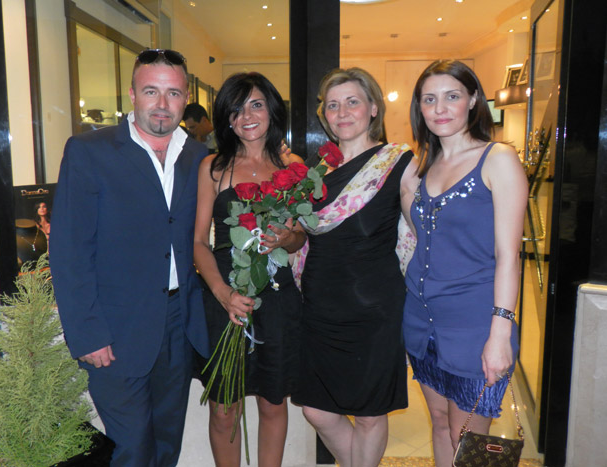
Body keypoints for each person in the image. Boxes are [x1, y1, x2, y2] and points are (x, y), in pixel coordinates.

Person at [49, 49, 209, 467]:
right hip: (115, 328)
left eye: (173, 93)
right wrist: (87, 332)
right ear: (133, 95)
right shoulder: (89, 151)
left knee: (167, 443)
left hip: (177, 324)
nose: (162, 103)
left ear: (186, 98)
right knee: (133, 448)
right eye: (151, 91)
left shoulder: (198, 157)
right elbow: (69, 250)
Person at [401, 59, 528, 467]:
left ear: (473, 100)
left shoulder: (497, 159)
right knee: (440, 424)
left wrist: (500, 333)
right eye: (429, 99)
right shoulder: (422, 166)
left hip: (474, 324)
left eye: (452, 96)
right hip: (422, 320)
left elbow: (509, 255)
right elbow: (425, 239)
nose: (440, 108)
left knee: (467, 439)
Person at [290, 67, 416, 467]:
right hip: (318, 307)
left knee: (368, 414)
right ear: (324, 115)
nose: (342, 112)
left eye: (352, 102)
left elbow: (423, 233)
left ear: (373, 108)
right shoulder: (314, 172)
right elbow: (300, 235)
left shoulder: (398, 163)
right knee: (316, 410)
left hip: (373, 310)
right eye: (333, 105)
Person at [194, 72, 305, 467]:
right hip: (225, 298)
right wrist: (224, 295)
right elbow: (199, 243)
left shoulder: (293, 167)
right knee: (225, 408)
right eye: (236, 109)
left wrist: (286, 238)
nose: (247, 116)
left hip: (277, 297)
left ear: (271, 109)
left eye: (256, 105)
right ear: (227, 119)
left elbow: (299, 238)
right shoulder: (214, 167)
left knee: (273, 402)